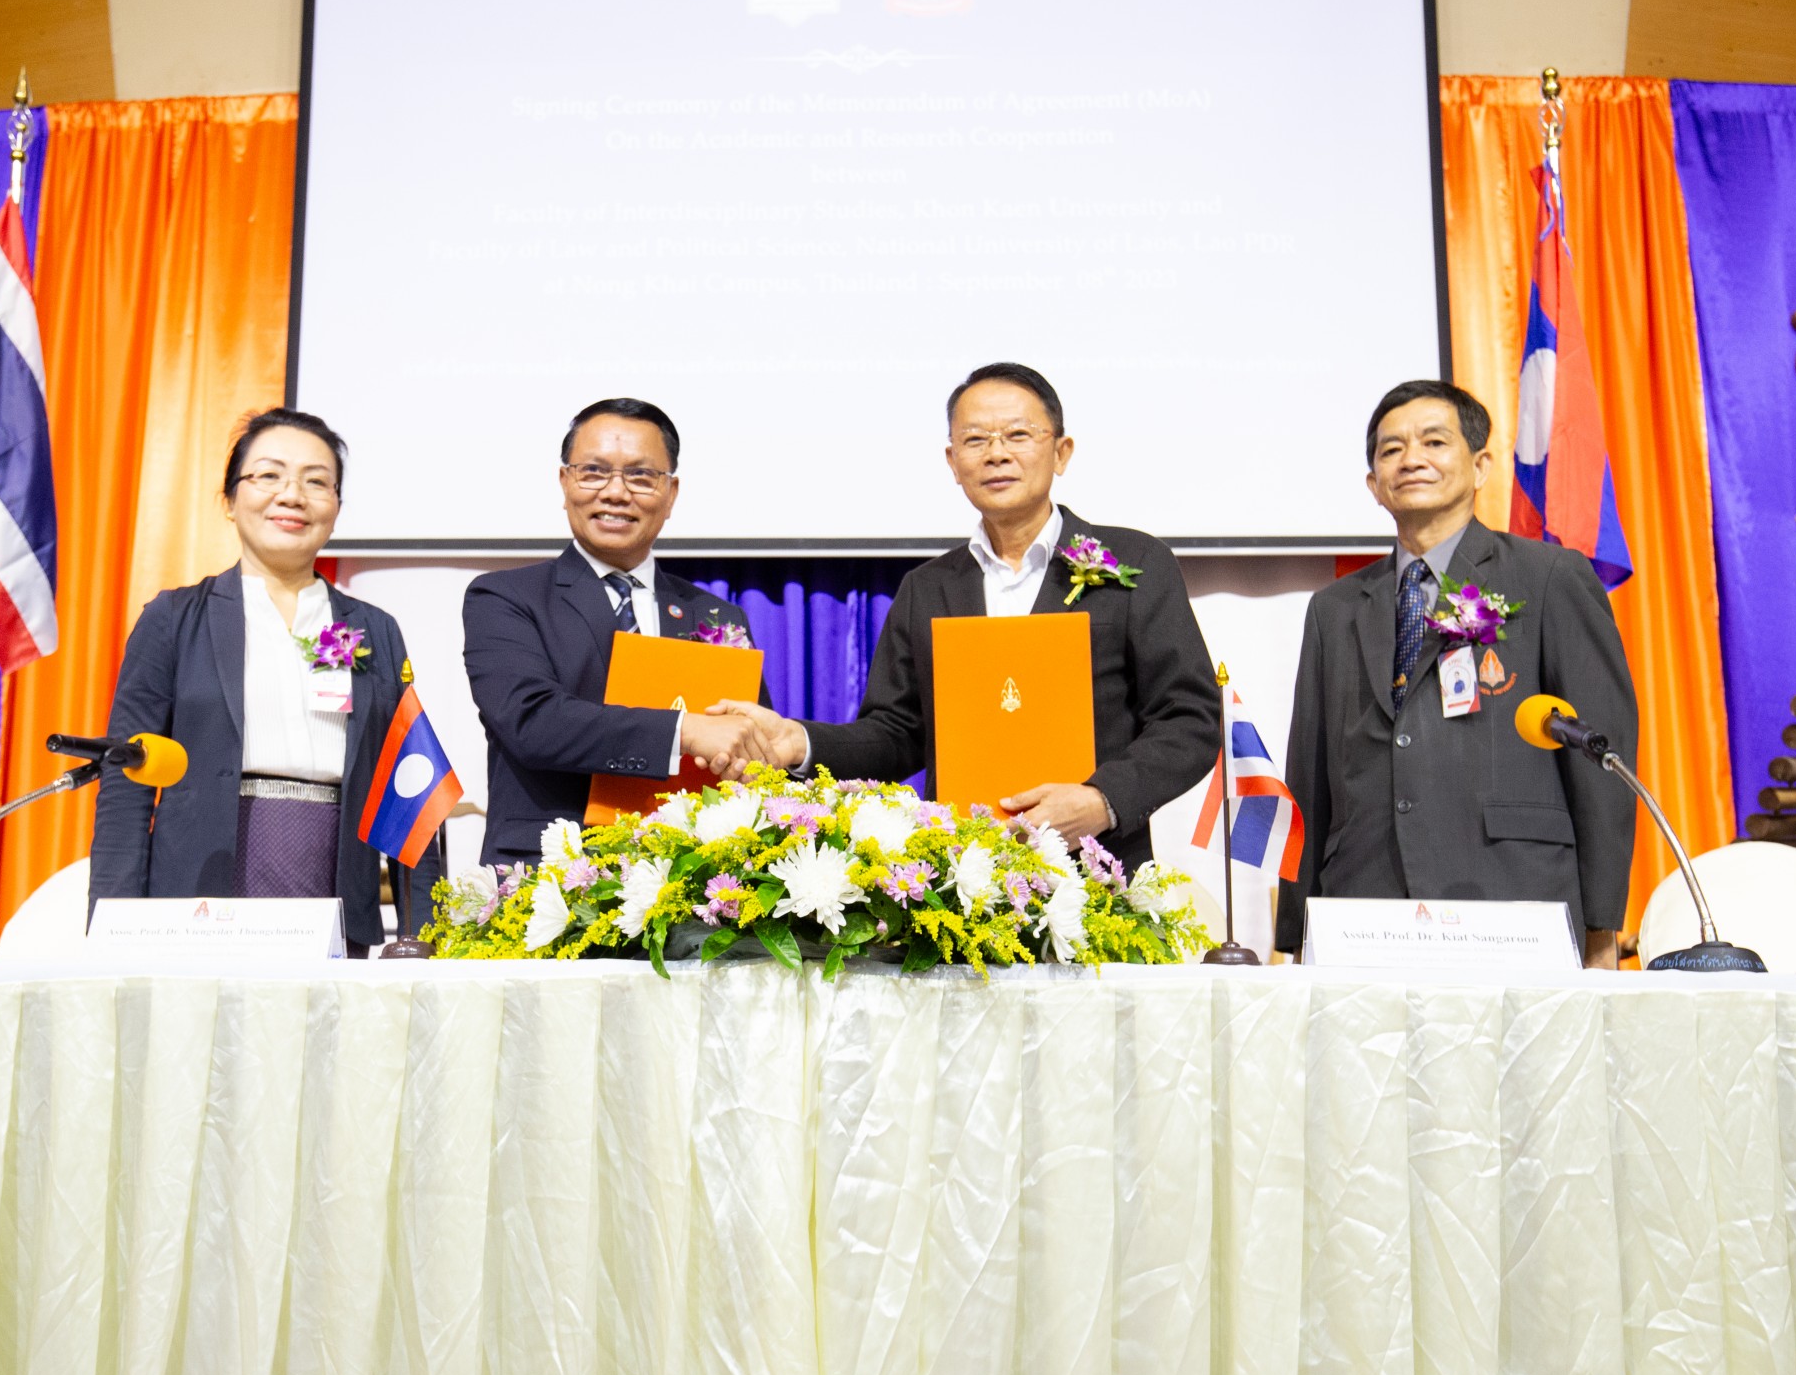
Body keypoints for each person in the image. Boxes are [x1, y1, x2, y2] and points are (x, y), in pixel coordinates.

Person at [717, 362, 1221, 873]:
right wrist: (798, 742)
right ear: (953, 462)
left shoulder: (1133, 563)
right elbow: (897, 734)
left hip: (1099, 871)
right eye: (975, 439)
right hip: (963, 878)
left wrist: (1101, 801)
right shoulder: (928, 588)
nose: (996, 453)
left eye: (1018, 435)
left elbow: (1189, 718)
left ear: (1061, 452)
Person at [1280, 380, 1637, 966]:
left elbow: (1600, 758)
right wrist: (1294, 934)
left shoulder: (1549, 578)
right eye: (1391, 449)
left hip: (1513, 902)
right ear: (1373, 484)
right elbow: (1309, 777)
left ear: (1480, 467)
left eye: (1434, 442)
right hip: (1364, 913)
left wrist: (1601, 929)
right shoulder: (1334, 609)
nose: (1411, 459)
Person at [89, 408, 410, 956]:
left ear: (336, 508)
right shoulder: (174, 620)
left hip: (333, 893)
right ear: (230, 499)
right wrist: (110, 929)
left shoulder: (374, 629)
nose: (293, 495)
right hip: (196, 901)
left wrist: (422, 932)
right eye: (269, 475)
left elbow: (408, 785)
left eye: (317, 482)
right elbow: (126, 780)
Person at [462, 397, 771, 865]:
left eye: (641, 476)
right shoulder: (505, 598)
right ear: (564, 482)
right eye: (594, 472)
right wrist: (684, 731)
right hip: (552, 871)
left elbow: (751, 742)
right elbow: (532, 722)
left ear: (671, 493)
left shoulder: (715, 615)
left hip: (693, 873)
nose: (615, 492)